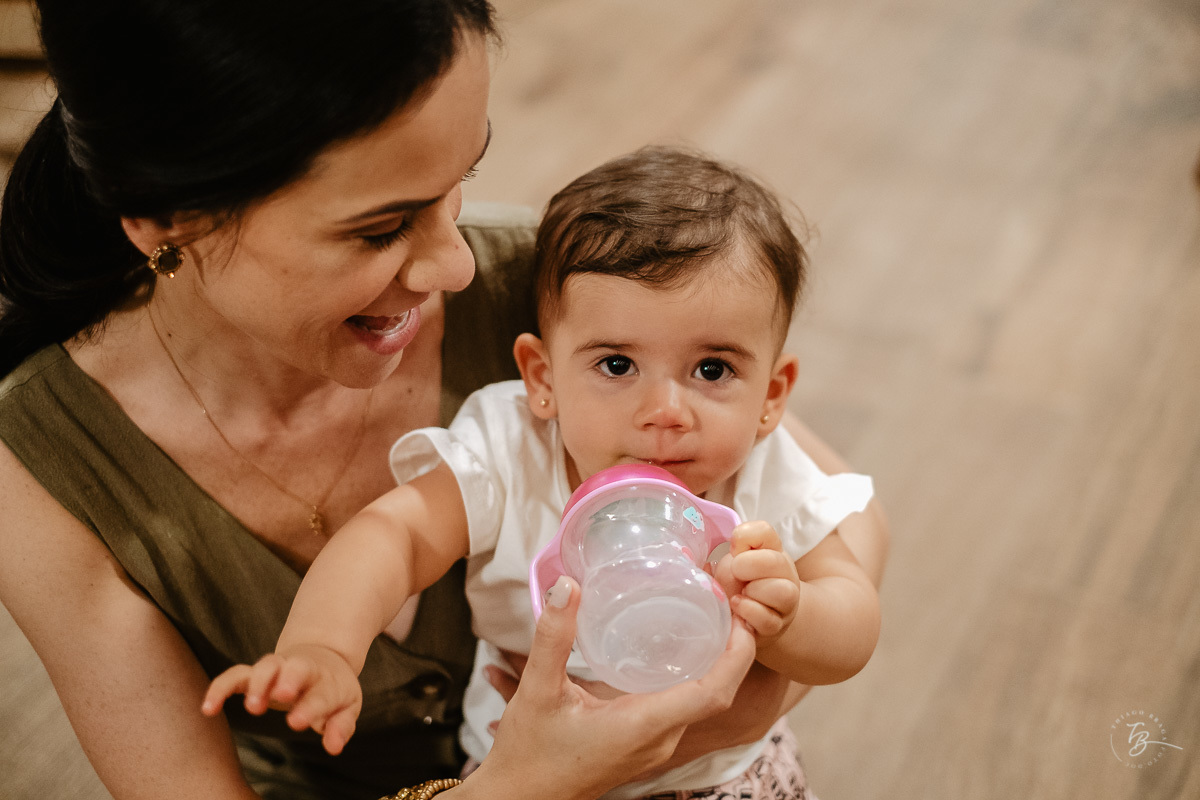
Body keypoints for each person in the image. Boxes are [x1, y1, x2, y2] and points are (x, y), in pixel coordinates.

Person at [0, 2, 888, 799]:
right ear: (165, 219)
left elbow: (847, 526)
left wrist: (758, 670)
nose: (454, 267)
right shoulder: (45, 464)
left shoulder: (564, 288)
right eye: (381, 227)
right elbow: (394, 537)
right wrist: (522, 781)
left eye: (463, 176)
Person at [204, 146, 882, 800]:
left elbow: (852, 621)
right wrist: (324, 644)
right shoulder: (510, 448)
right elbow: (396, 536)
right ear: (542, 377)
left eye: (713, 370)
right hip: (522, 776)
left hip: (715, 779)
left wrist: (793, 617)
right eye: (617, 365)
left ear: (772, 394)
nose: (666, 411)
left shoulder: (764, 476)